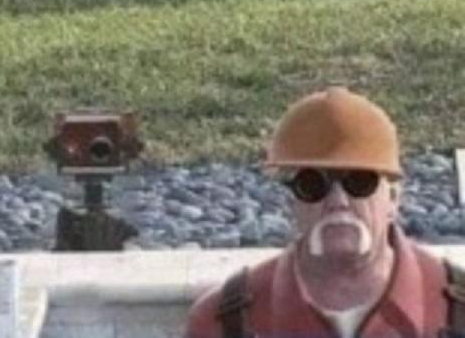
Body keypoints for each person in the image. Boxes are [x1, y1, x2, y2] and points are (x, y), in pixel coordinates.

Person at [184, 86, 465, 338]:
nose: (338, 200)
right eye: (312, 185)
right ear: (290, 203)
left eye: (360, 182)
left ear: (393, 198)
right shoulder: (224, 325)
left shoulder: (456, 314)